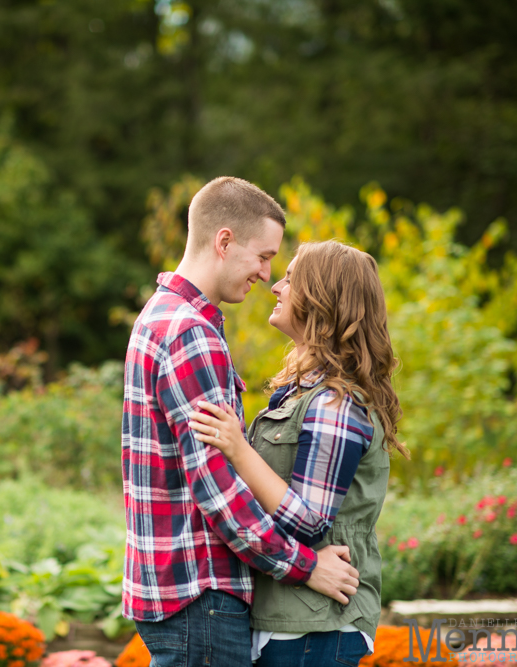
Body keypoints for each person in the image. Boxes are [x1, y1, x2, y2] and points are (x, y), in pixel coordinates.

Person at [122, 178, 361, 667]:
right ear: (224, 240)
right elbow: (219, 493)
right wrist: (306, 567)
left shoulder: (158, 316)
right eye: (263, 255)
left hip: (176, 590)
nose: (267, 274)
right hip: (202, 592)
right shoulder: (192, 334)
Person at [188, 240, 409, 667]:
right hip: (294, 621)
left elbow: (308, 521)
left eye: (291, 278)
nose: (276, 286)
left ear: (322, 298)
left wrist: (238, 449)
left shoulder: (336, 403)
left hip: (318, 627)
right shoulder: (303, 393)